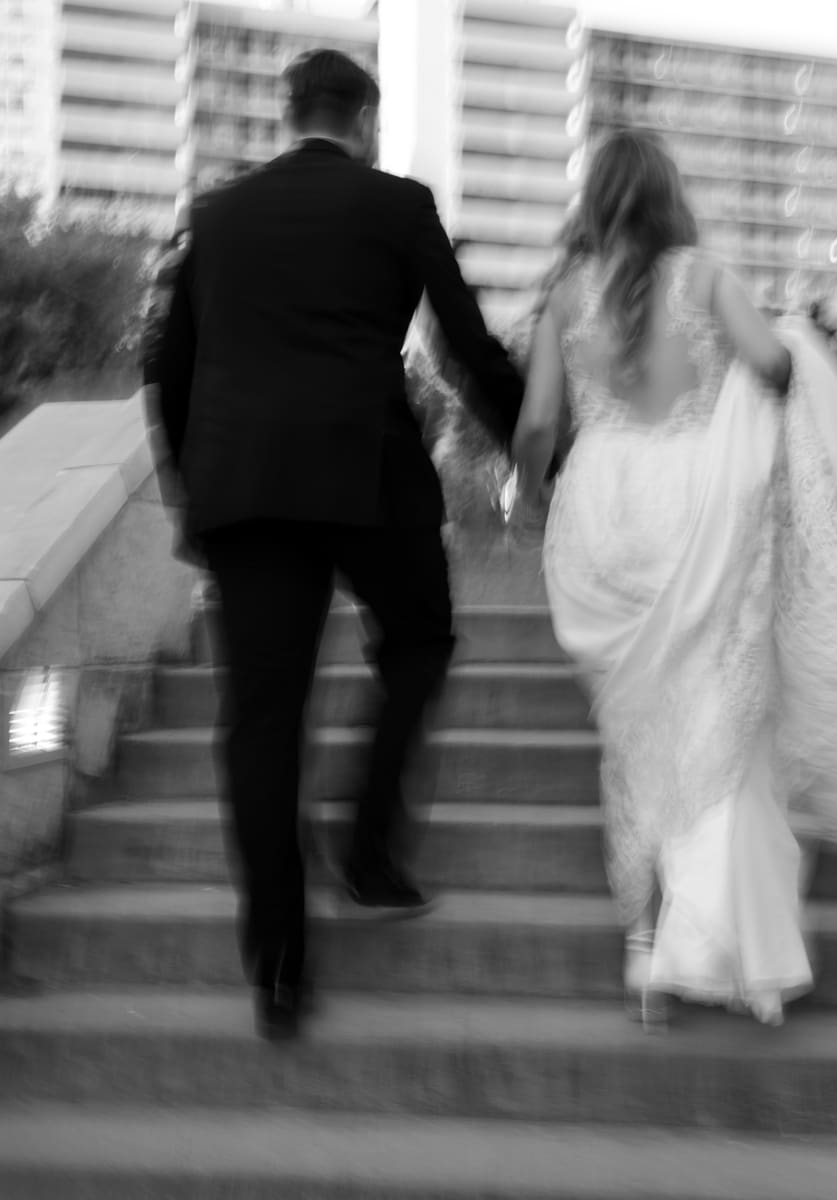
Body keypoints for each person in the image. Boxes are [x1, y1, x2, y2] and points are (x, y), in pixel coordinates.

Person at [511, 129, 837, 1030]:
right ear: (669, 195)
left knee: (639, 733)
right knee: (724, 723)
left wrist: (530, 495)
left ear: (597, 203)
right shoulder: (706, 277)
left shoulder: (565, 296)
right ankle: (741, 955)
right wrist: (795, 347)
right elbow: (774, 368)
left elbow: (535, 425)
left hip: (603, 513)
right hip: (699, 507)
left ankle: (647, 950)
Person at [147, 49, 525, 1043]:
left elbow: (168, 365)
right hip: (365, 476)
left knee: (262, 724)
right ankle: (367, 852)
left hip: (248, 494)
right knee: (420, 638)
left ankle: (278, 970)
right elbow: (466, 345)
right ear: (361, 118)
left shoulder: (217, 216)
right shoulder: (399, 206)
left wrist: (191, 491)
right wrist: (540, 442)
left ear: (292, 115)